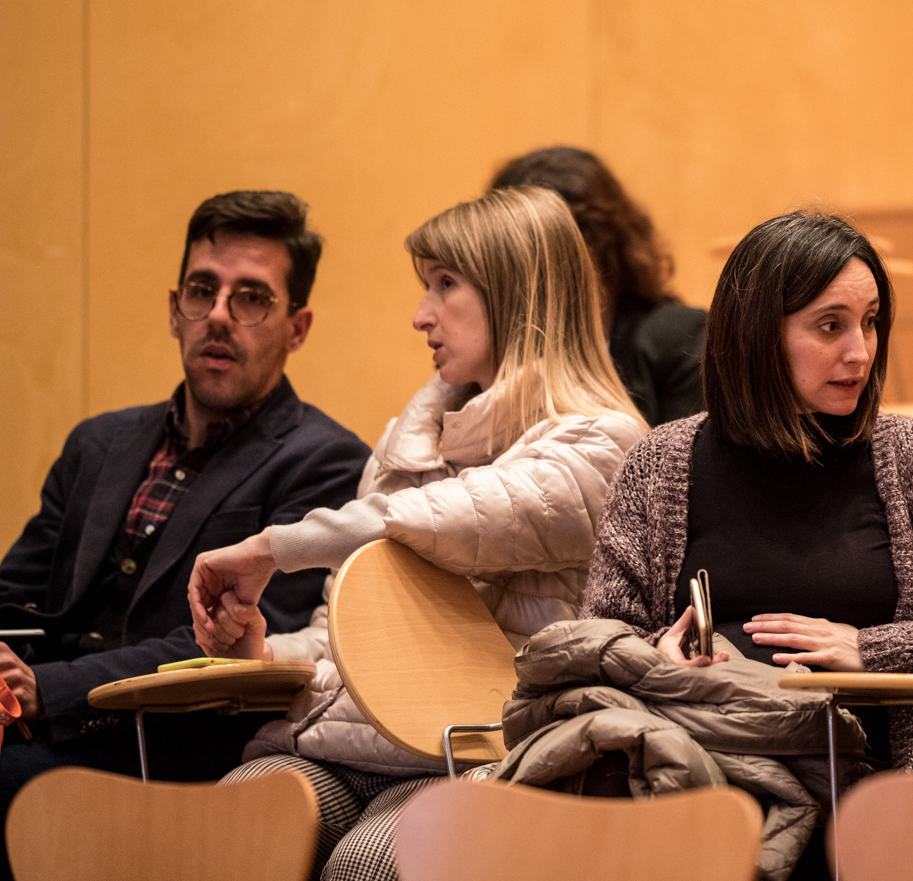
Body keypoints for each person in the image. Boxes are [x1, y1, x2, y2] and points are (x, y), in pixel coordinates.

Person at [187, 187, 646, 881]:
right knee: (231, 831)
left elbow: (452, 519)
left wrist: (272, 548)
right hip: (347, 743)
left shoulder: (602, 443)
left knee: (367, 863)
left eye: (445, 284)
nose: (420, 314)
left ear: (514, 294)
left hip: (481, 749)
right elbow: (346, 623)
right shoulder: (409, 440)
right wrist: (264, 650)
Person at [579, 209, 913, 778]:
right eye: (831, 326)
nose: (860, 352)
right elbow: (601, 637)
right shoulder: (660, 462)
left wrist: (874, 650)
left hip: (856, 770)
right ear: (757, 336)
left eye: (871, 322)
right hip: (703, 755)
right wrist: (662, 656)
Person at [0, 192, 368, 816]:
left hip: (173, 754)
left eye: (251, 298)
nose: (218, 316)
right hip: (36, 728)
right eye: (202, 291)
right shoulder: (99, 442)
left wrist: (46, 688)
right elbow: (16, 597)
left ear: (297, 328)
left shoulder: (325, 462)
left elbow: (238, 650)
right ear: (176, 310)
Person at [491, 145, 705, 426]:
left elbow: (686, 452)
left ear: (598, 244)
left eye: (543, 248)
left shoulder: (677, 338)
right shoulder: (496, 345)